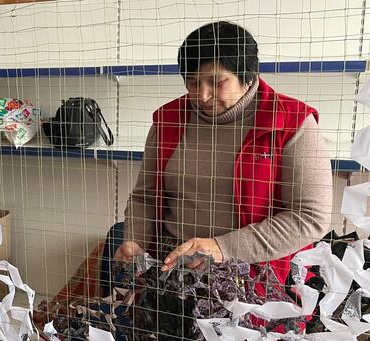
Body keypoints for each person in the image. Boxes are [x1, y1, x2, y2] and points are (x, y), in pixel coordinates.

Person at [106, 21, 332, 295]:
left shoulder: (291, 122)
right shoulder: (169, 120)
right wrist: (136, 240)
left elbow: (310, 218)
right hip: (172, 267)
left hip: (254, 275)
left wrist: (221, 248)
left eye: (217, 82)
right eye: (192, 82)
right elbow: (145, 196)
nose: (202, 95)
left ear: (247, 76)